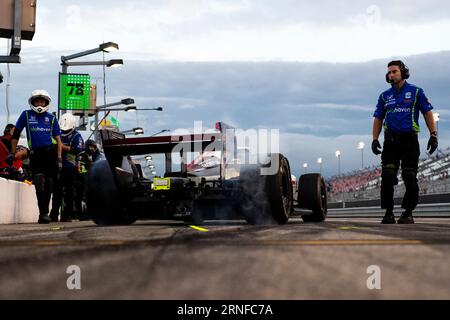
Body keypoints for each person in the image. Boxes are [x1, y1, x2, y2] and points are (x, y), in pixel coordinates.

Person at [371, 60, 438, 224]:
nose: (391, 74)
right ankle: (388, 212)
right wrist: (374, 139)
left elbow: (428, 113)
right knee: (387, 176)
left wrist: (433, 134)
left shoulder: (416, 92)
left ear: (403, 72)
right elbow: (378, 118)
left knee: (409, 176)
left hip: (409, 140)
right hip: (390, 141)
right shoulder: (384, 96)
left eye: (394, 71)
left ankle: (408, 212)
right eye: (389, 72)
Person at [10, 89, 63, 224]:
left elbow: (58, 140)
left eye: (42, 101)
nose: (39, 103)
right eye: (37, 101)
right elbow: (16, 134)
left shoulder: (51, 118)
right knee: (39, 181)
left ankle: (46, 211)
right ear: (33, 102)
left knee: (50, 182)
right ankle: (43, 213)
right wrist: (12, 154)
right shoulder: (26, 115)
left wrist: (59, 158)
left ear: (46, 103)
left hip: (50, 153)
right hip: (36, 153)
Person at [52, 113, 84, 222]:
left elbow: (77, 150)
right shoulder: (57, 133)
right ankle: (54, 214)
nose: (64, 132)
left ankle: (67, 215)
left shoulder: (76, 136)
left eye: (66, 130)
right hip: (57, 166)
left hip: (70, 167)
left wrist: (61, 146)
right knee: (57, 192)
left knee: (69, 192)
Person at [77, 139, 101, 220]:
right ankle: (82, 215)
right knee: (82, 196)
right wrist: (89, 168)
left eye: (93, 147)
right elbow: (80, 169)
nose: (92, 149)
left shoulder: (98, 155)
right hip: (83, 179)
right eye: (90, 147)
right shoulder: (81, 155)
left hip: (94, 180)